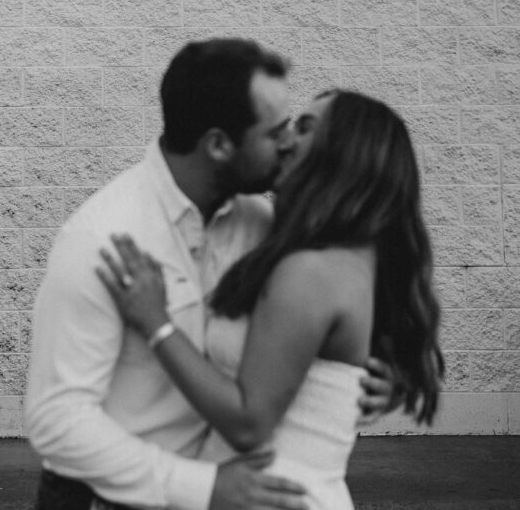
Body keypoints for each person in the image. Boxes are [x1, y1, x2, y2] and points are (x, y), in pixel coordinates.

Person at [25, 40, 396, 510]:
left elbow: (320, 327)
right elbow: (56, 421)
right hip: (106, 497)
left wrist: (367, 384)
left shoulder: (261, 224)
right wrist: (203, 487)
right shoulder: (102, 240)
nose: (290, 144)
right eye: (276, 131)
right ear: (219, 145)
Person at [98, 89, 444, 510]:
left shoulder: (313, 271)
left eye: (306, 127)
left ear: (346, 152)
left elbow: (248, 424)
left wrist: (156, 322)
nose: (286, 139)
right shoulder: (335, 254)